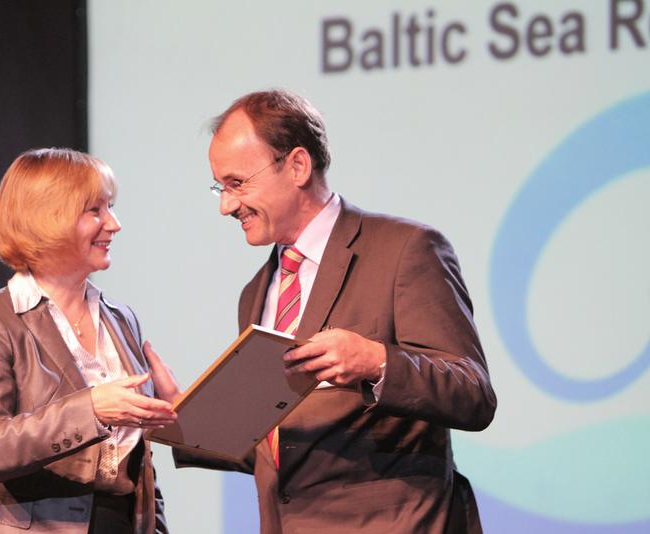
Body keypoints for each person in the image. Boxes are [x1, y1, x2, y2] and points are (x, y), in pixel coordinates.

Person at [175, 90, 497, 533]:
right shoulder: (256, 291)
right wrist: (183, 419)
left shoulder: (404, 250)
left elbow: (472, 392)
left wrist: (376, 362)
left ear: (298, 166)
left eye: (237, 183)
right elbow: (279, 445)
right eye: (220, 187)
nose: (226, 205)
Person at [0, 148, 180, 534]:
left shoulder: (122, 319)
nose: (114, 224)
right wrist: (93, 409)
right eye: (96, 211)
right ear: (47, 219)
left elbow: (137, 461)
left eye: (111, 207)